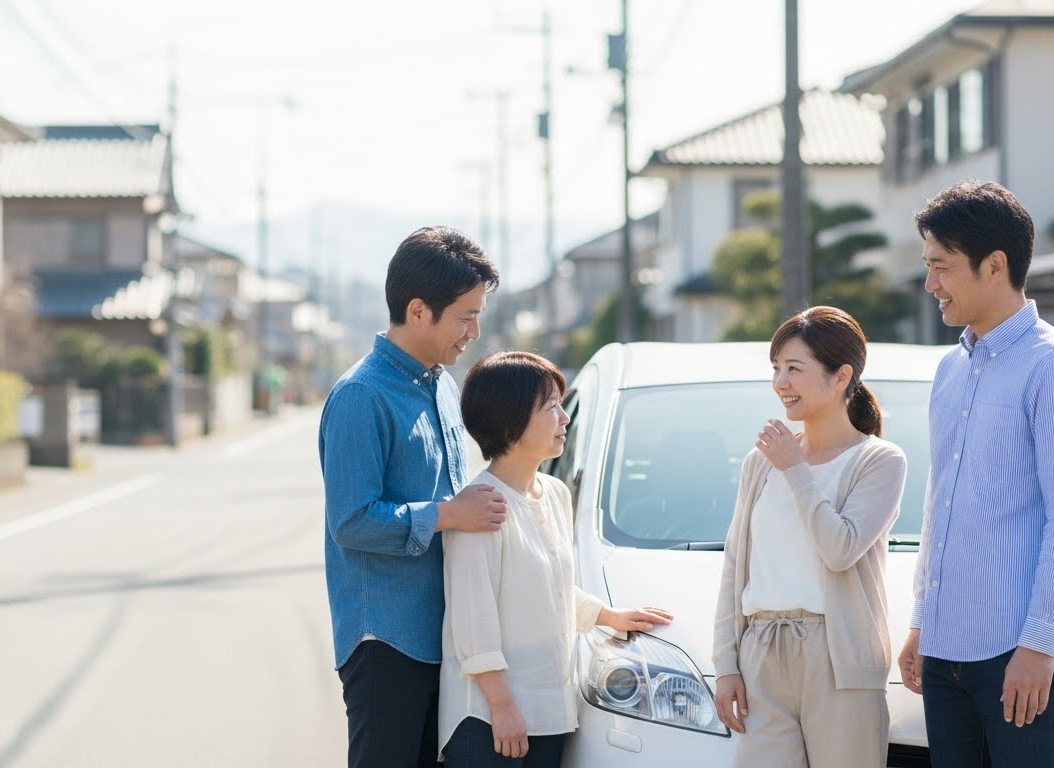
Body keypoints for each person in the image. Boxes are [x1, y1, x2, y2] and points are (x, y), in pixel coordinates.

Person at [896, 181, 1054, 767]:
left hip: (1021, 652)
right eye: (928, 266)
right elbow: (940, 504)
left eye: (941, 266)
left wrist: (1039, 646)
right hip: (946, 651)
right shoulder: (949, 370)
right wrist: (922, 623)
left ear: (995, 265)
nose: (931, 284)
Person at [319, 227, 509, 768]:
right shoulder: (360, 395)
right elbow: (351, 521)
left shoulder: (442, 384)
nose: (475, 331)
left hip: (442, 630)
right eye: (466, 316)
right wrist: (448, 514)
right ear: (418, 311)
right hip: (385, 638)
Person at [439, 350, 673, 766]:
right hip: (489, 719)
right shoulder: (481, 505)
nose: (564, 418)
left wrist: (609, 616)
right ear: (509, 421)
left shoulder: (554, 494)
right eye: (550, 407)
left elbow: (552, 588)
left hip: (548, 713)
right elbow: (473, 623)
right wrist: (503, 708)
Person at [712, 306, 909, 767]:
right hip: (762, 650)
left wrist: (796, 469)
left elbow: (840, 549)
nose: (780, 382)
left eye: (794, 369)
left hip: (840, 659)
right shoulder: (760, 462)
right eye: (776, 368)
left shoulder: (879, 461)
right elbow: (734, 565)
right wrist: (725, 665)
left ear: (841, 376)